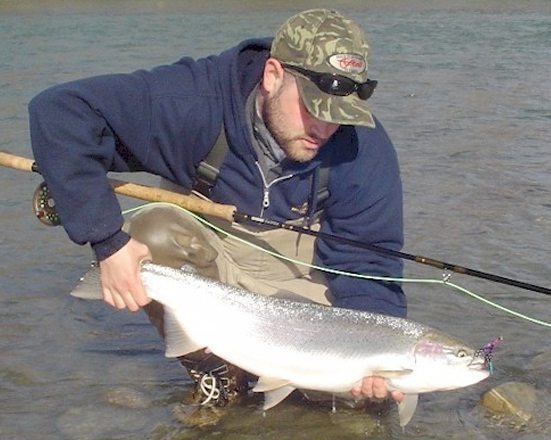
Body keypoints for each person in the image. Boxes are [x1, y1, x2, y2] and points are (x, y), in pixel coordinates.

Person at [28, 9, 406, 409]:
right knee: (151, 232)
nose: (325, 129)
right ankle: (217, 377)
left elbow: (369, 269)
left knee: (345, 397)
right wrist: (106, 240)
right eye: (313, 108)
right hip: (207, 259)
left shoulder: (364, 149)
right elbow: (59, 111)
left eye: (339, 116)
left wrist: (375, 355)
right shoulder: (196, 101)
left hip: (300, 279)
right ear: (272, 75)